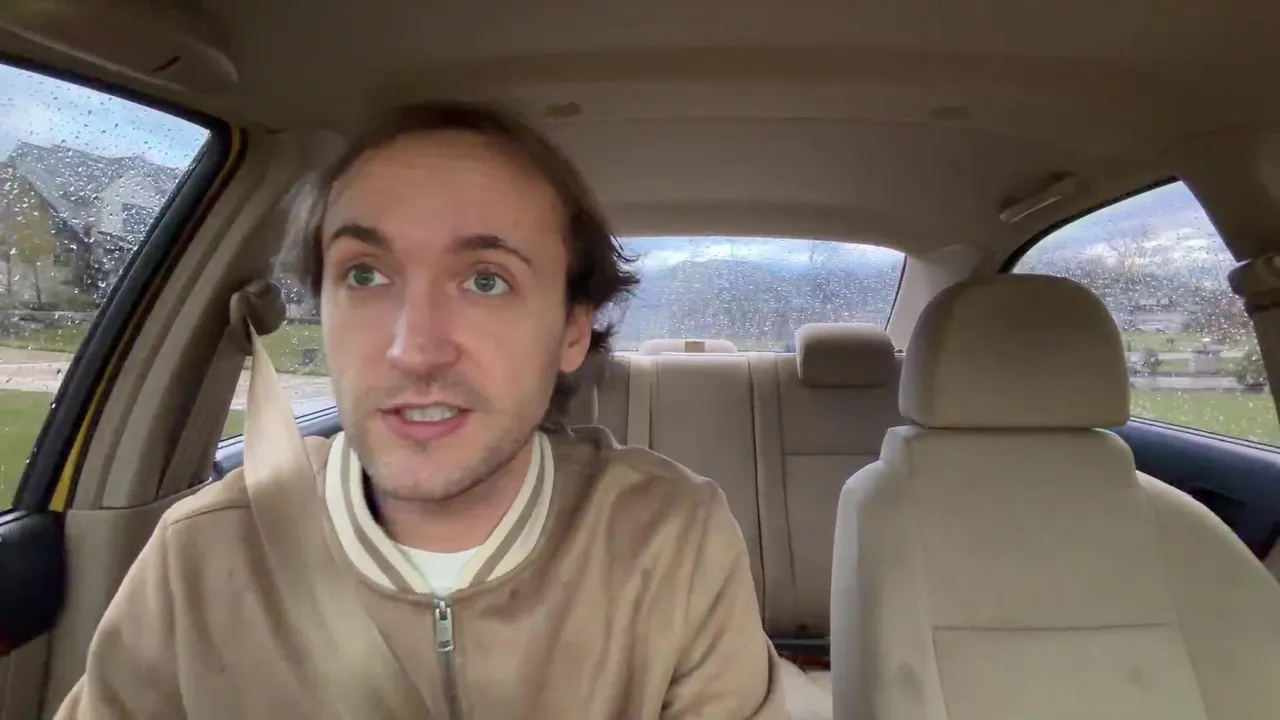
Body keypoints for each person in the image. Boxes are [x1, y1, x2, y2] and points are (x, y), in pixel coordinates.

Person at [56, 101, 788, 718]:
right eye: (364, 275)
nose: (413, 350)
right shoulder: (201, 555)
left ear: (572, 330)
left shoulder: (673, 541)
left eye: (486, 281)